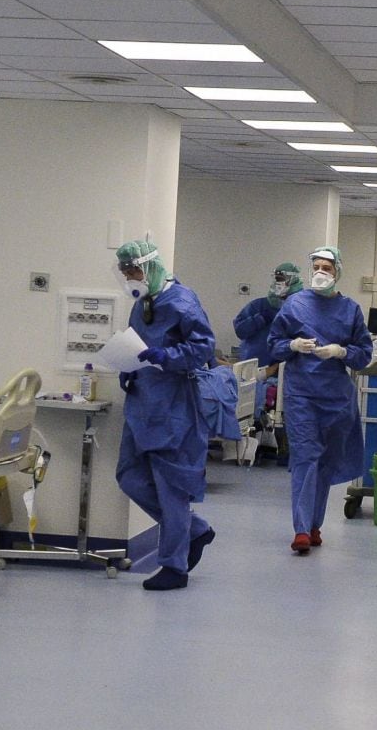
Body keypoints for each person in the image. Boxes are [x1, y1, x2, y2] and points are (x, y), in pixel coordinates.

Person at [114, 240, 217, 590]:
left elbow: (203, 347)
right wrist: (128, 367)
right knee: (128, 476)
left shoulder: (182, 301)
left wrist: (166, 357)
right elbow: (135, 342)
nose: (129, 277)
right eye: (124, 272)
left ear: (151, 267)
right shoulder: (143, 302)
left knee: (171, 488)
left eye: (133, 270)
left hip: (172, 404)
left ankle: (174, 566)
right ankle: (196, 530)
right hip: (142, 401)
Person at [266, 246, 372, 554]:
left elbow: (363, 355)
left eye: (327, 267)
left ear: (338, 272)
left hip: (337, 397)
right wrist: (293, 345)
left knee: (325, 463)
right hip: (302, 395)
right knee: (305, 458)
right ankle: (300, 529)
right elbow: (274, 345)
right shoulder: (294, 306)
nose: (321, 272)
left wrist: (341, 351)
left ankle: (314, 525)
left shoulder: (350, 309)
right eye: (316, 267)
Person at [233, 262, 302, 368]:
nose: (279, 282)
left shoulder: (301, 308)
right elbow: (240, 330)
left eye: (283, 279)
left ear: (294, 280)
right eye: (277, 279)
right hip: (254, 366)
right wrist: (260, 319)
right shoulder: (259, 305)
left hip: (287, 367)